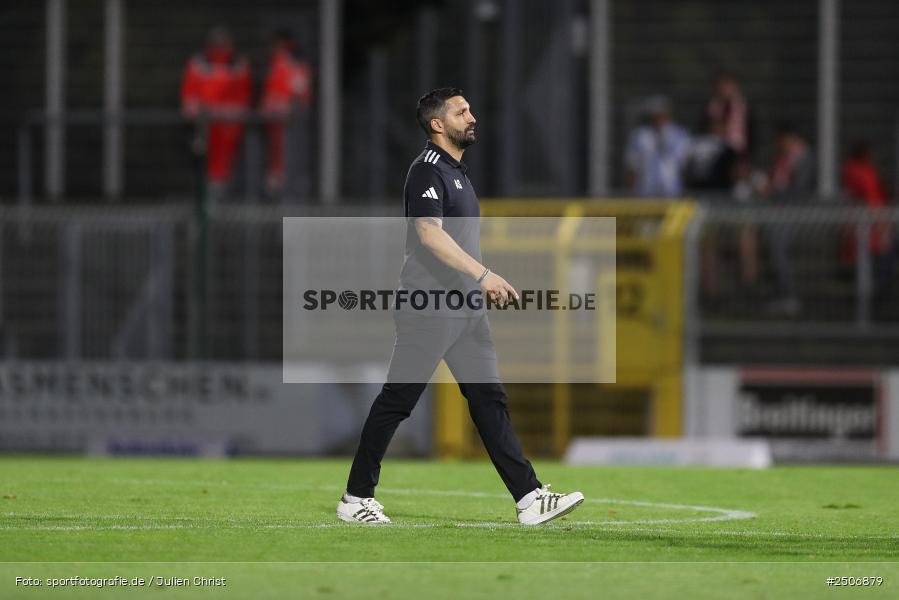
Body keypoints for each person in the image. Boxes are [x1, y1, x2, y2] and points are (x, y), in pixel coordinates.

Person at [337, 88, 584, 526]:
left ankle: (529, 498)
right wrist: (484, 275)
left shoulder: (458, 173)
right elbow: (430, 236)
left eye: (471, 109)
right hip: (430, 305)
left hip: (465, 310)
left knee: (490, 399)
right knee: (399, 400)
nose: (472, 117)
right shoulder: (426, 171)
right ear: (438, 124)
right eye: (461, 111)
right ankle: (356, 498)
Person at [180, 26, 252, 198]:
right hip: (203, 125)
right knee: (202, 161)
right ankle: (205, 199)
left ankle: (222, 199)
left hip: (229, 127)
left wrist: (231, 112)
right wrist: (193, 111)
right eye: (217, 44)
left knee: (227, 165)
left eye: (223, 44)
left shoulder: (238, 65)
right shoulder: (198, 64)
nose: (220, 47)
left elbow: (243, 95)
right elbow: (189, 93)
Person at [762, 123, 815, 315]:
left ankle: (788, 294)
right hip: (779, 211)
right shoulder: (782, 159)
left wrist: (775, 191)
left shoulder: (804, 158)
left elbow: (798, 190)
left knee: (778, 245)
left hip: (795, 212)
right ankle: (780, 293)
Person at [259, 29, 313, 197]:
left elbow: (301, 95)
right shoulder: (277, 63)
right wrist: (269, 106)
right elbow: (270, 92)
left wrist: (285, 106)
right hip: (275, 121)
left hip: (291, 122)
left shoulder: (296, 65)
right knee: (276, 156)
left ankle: (290, 188)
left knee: (291, 158)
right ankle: (277, 185)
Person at [840, 141, 894, 300]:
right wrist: (882, 225)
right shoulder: (861, 173)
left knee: (872, 260)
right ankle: (875, 296)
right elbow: (870, 201)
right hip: (870, 224)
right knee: (876, 259)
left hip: (868, 223)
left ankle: (873, 294)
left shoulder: (854, 171)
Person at [625, 96, 691, 197]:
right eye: (656, 114)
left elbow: (686, 167)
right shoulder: (640, 136)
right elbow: (632, 167)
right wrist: (632, 194)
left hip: (673, 192)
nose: (659, 118)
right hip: (646, 191)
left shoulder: (680, 135)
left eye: (662, 113)